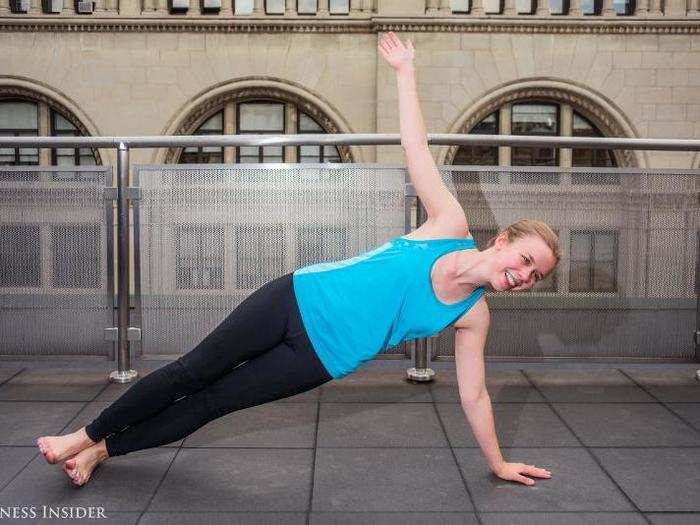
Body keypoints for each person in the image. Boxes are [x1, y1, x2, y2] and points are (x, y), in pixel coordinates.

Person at [36, 32, 559, 488]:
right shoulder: (448, 225)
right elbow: (416, 150)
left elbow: (475, 397)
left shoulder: (473, 315)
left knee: (210, 404)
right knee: (191, 372)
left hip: (319, 359)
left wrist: (499, 463)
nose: (525, 276)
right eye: (527, 259)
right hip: (295, 298)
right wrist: (405, 72)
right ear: (504, 240)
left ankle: (100, 452)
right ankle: (79, 436)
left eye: (535, 277)